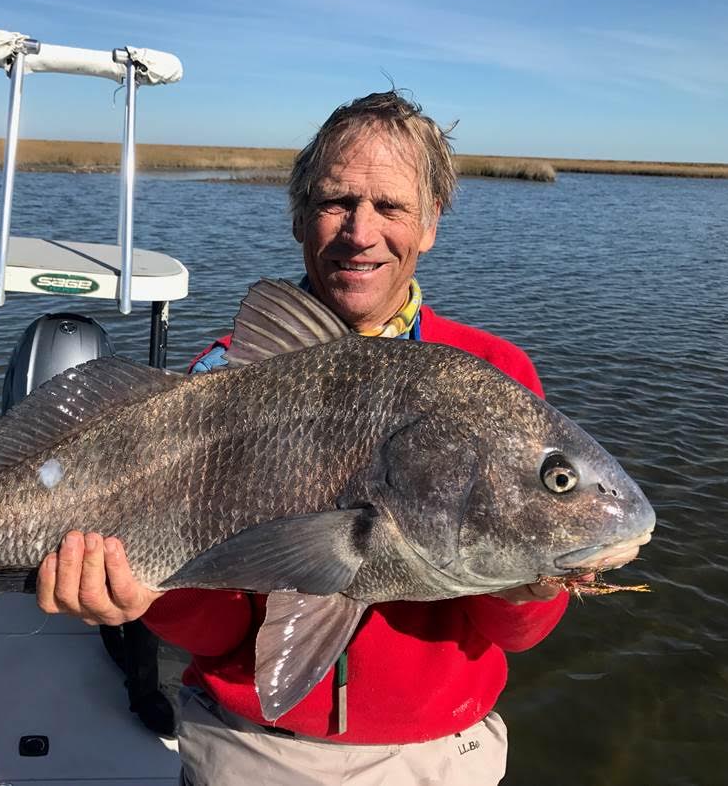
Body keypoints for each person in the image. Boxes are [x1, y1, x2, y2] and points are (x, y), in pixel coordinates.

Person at [34, 91, 640, 785]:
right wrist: (146, 597)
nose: (361, 231)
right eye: (335, 202)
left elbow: (515, 633)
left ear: (431, 222)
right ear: (298, 217)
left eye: (391, 206)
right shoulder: (221, 378)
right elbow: (222, 633)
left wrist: (534, 581)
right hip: (253, 748)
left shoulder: (497, 376)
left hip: (442, 754)